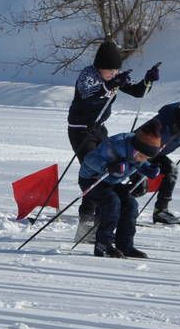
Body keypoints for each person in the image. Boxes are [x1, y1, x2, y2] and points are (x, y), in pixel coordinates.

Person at [68, 39, 160, 236]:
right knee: (93, 173)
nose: (114, 74)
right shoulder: (88, 75)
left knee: (109, 172)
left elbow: (138, 92)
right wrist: (109, 84)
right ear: (99, 67)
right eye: (109, 71)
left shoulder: (114, 76)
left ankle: (102, 222)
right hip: (80, 130)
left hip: (99, 129)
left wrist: (148, 80)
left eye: (116, 71)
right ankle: (85, 225)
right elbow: (88, 96)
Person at [78, 122, 163, 259]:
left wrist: (147, 169)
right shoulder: (115, 146)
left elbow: (139, 162)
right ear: (135, 149)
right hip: (92, 179)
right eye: (142, 156)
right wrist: (108, 167)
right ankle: (103, 245)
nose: (143, 160)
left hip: (111, 182)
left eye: (147, 158)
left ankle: (125, 245)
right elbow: (89, 159)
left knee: (130, 205)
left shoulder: (139, 150)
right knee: (112, 203)